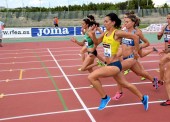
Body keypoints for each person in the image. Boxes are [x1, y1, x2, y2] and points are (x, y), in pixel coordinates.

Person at [88, 13, 149, 111]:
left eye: (106, 21)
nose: (104, 23)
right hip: (109, 64)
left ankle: (104, 97)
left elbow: (136, 37)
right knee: (125, 84)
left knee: (91, 77)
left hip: (115, 65)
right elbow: (96, 42)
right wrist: (93, 35)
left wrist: (136, 52)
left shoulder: (117, 33)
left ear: (113, 22)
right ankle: (143, 98)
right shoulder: (105, 33)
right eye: (104, 21)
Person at [112, 14, 159, 100]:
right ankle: (154, 80)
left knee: (118, 71)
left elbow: (147, 43)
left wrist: (137, 49)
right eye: (124, 22)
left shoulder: (137, 32)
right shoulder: (123, 31)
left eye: (127, 22)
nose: (125, 23)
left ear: (133, 23)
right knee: (139, 73)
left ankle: (119, 92)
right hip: (125, 58)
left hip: (131, 57)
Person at [157, 13, 170, 106]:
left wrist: (165, 50)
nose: (168, 19)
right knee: (167, 79)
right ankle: (161, 80)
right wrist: (159, 34)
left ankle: (161, 80)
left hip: (168, 52)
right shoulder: (165, 27)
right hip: (167, 52)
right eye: (167, 18)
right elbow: (159, 38)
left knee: (161, 62)